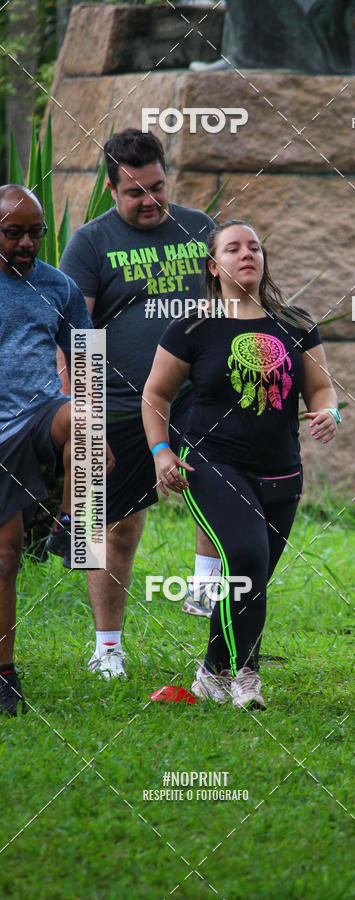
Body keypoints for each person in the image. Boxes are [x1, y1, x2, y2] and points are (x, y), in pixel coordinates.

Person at [142, 220, 340, 708]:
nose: (246, 254)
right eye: (233, 248)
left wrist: (329, 412)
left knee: (251, 576)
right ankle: (246, 675)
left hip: (281, 469)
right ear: (214, 266)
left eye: (254, 247)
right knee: (247, 558)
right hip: (211, 462)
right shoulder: (192, 328)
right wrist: (161, 451)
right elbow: (155, 394)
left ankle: (210, 673)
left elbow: (320, 388)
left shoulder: (295, 324)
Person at [59, 129, 216, 678]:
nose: (150, 201)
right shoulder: (89, 243)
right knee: (114, 530)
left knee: (218, 488)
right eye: (135, 193)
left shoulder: (200, 228)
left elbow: (229, 305)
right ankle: (107, 649)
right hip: (119, 404)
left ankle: (206, 596)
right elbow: (76, 336)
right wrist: (85, 418)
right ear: (110, 190)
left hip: (197, 396)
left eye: (157, 188)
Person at [0, 185, 101, 715]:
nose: (26, 243)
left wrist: (96, 431)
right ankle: (4, 674)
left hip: (40, 412)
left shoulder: (58, 286)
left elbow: (88, 360)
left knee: (86, 420)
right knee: (5, 558)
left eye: (35, 233)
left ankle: (70, 527)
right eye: (13, 233)